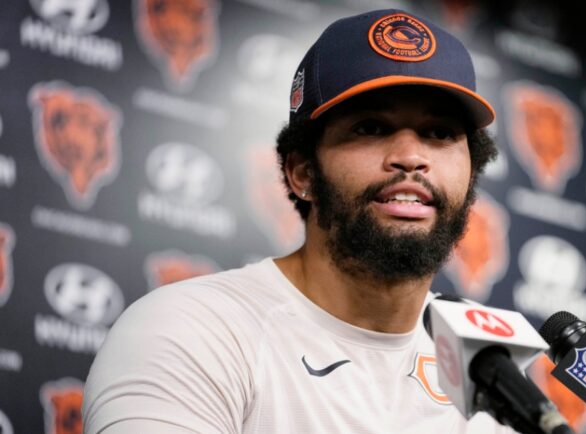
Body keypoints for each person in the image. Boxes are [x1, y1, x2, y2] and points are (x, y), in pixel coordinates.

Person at [84, 9, 514, 433]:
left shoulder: (489, 361)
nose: (411, 157)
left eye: (439, 133)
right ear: (302, 172)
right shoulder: (193, 327)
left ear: (472, 171)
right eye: (370, 127)